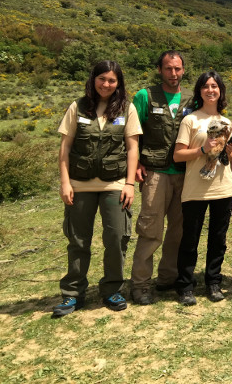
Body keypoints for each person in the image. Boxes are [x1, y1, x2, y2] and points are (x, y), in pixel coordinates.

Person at [53, 60, 141, 317]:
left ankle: (112, 288)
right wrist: (65, 182)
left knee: (116, 238)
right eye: (102, 79)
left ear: (119, 84)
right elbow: (65, 148)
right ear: (93, 79)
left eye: (112, 80)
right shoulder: (77, 107)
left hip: (115, 183)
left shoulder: (127, 108)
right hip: (80, 184)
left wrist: (129, 184)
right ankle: (72, 294)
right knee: (78, 240)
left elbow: (133, 147)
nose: (106, 84)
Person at [130, 51, 193, 305]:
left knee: (178, 232)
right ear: (159, 69)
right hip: (155, 173)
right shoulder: (145, 96)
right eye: (168, 69)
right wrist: (134, 166)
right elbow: (132, 134)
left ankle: (168, 278)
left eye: (177, 69)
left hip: (185, 175)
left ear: (183, 70)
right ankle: (141, 285)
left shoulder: (191, 98)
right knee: (150, 231)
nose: (173, 74)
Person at [172, 71, 232, 306]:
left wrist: (229, 146)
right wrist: (202, 150)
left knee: (218, 239)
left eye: (215, 86)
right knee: (190, 239)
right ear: (200, 91)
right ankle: (186, 285)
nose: (211, 90)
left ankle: (213, 282)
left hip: (223, 187)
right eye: (206, 86)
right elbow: (178, 155)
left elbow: (231, 158)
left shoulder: (227, 122)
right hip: (195, 189)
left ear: (221, 91)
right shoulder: (191, 120)